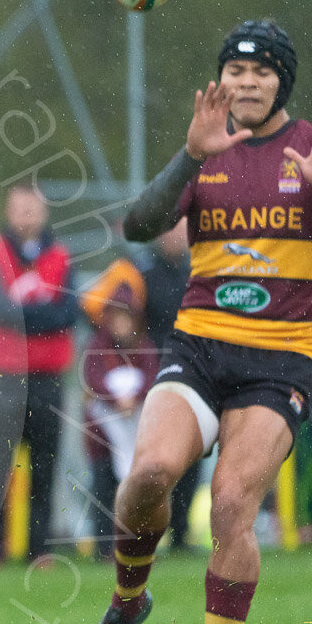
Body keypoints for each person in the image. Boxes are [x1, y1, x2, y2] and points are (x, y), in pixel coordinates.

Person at [73, 19, 312, 624]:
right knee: (148, 474)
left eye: (261, 72)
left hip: (279, 359)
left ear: (282, 82)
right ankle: (128, 603)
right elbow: (139, 225)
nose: (246, 83)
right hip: (201, 347)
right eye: (236, 71)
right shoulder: (207, 145)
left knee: (234, 503)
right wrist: (188, 156)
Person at [0, 184, 78, 569]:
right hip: (4, 376)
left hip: (48, 377)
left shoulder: (61, 256)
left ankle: (40, 549)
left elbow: (67, 312)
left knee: (45, 464)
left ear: (44, 212)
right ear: (7, 211)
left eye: (32, 208)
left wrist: (26, 316)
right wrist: (39, 314)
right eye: (19, 208)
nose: (26, 216)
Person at [81, 220, 201, 551]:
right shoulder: (136, 269)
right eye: (170, 227)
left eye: (181, 228)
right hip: (146, 380)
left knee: (188, 456)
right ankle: (117, 538)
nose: (175, 234)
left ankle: (180, 533)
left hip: (188, 376)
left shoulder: (198, 269)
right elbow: (96, 307)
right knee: (132, 463)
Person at [79, 285, 160, 560]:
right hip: (103, 435)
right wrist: (117, 399)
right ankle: (104, 549)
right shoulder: (96, 346)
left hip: (137, 434)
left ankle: (137, 545)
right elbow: (92, 379)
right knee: (104, 488)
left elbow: (152, 380)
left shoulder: (145, 347)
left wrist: (134, 397)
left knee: (137, 491)